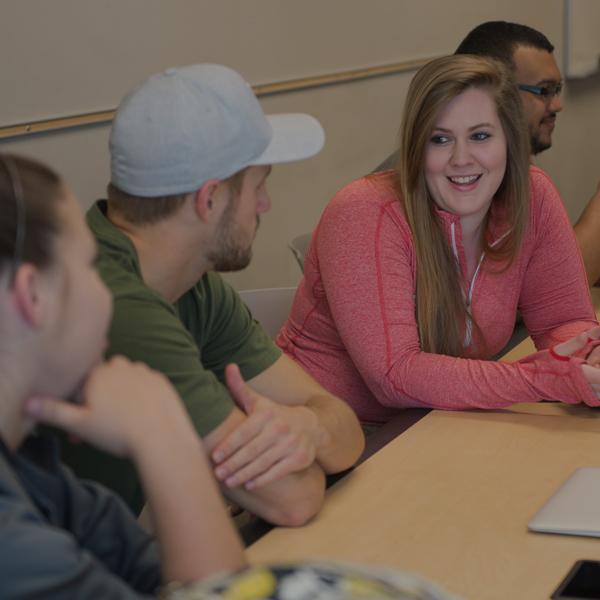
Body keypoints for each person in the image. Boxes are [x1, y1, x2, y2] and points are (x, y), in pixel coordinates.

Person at [58, 64, 364, 521]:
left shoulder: (192, 286)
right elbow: (293, 499)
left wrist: (311, 428)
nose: (265, 204)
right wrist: (304, 447)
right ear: (209, 199)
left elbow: (345, 430)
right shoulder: (119, 309)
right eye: (258, 187)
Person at [277, 55, 600, 425]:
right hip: (328, 437)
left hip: (440, 422)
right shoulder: (364, 211)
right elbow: (395, 376)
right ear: (417, 148)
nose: (461, 159)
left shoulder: (532, 195)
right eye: (440, 139)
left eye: (480, 136)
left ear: (509, 141)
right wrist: (539, 380)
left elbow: (563, 322)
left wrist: (585, 356)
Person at [0, 153, 246, 597]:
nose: (109, 295)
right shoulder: (13, 546)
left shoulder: (33, 468)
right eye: (92, 268)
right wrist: (165, 437)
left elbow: (153, 575)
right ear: (33, 295)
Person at [376, 21, 600, 286]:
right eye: (544, 90)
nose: (557, 105)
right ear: (493, 90)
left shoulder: (511, 171)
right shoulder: (441, 180)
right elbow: (555, 287)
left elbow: (552, 291)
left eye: (557, 89)